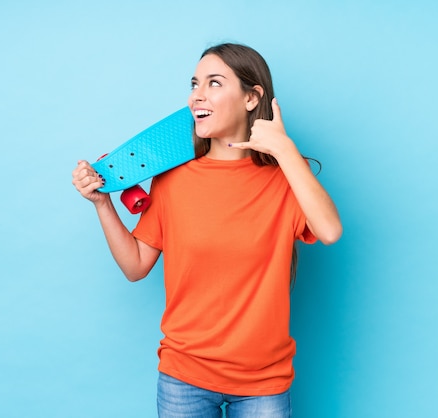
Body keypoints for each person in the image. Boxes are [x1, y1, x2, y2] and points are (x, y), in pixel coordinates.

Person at [72, 43, 342, 418]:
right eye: (195, 83)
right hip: (185, 377)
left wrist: (285, 151)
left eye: (214, 83)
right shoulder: (173, 181)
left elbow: (329, 231)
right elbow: (135, 266)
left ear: (252, 98)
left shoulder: (285, 182)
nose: (197, 95)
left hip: (263, 383)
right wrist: (102, 204)